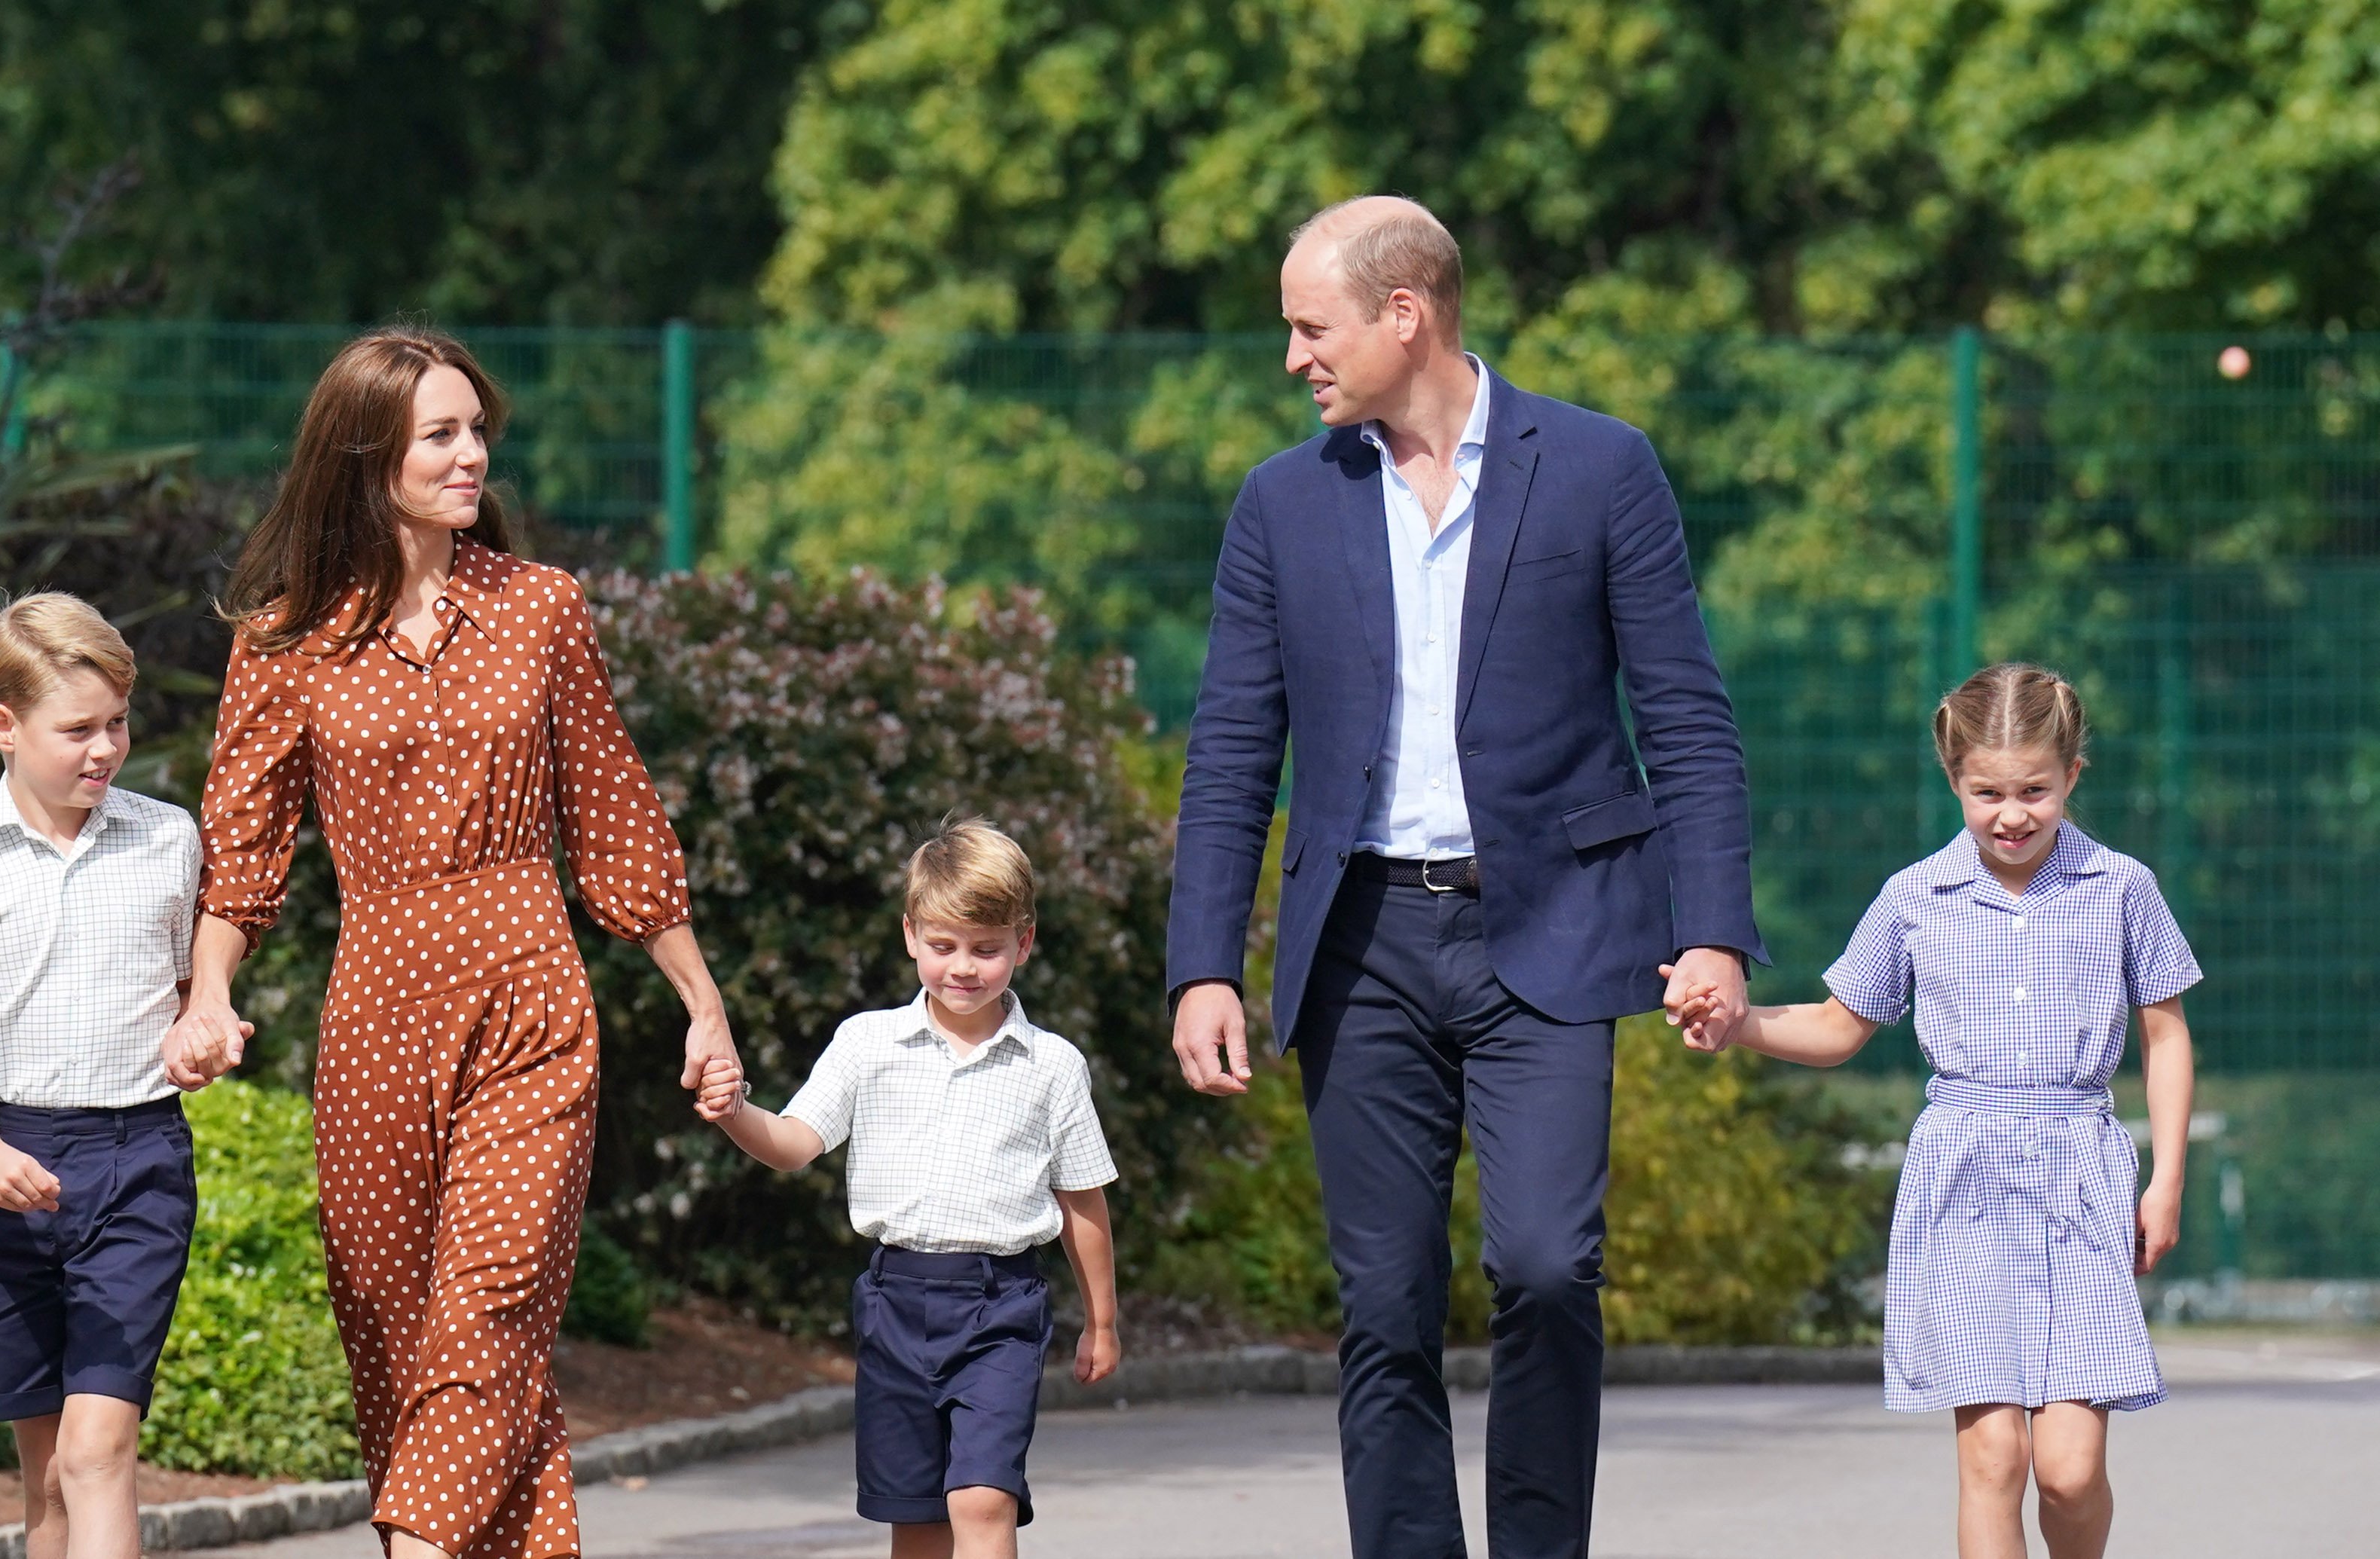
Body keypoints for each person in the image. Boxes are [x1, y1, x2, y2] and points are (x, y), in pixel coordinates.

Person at [1164, 195, 1764, 1559]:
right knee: (1381, 1304)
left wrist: (1711, 927)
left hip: (1549, 928)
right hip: (1359, 941)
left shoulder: (1601, 468)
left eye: (1308, 327)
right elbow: (1229, 748)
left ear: (1403, 315)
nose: (1290, 358)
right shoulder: (1277, 503)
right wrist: (1202, 959)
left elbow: (1683, 715)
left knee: (1547, 1269)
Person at [172, 327, 738, 1559]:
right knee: (399, 1343)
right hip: (375, 1014)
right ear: (367, 454)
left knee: (489, 1310)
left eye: (477, 428)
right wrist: (208, 989)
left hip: (529, 1000)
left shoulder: (538, 608)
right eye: (443, 431)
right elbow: (244, 840)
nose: (473, 452)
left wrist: (699, 998)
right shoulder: (284, 636)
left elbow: (614, 809)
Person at [1668, 663, 2197, 1559]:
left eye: (2035, 788)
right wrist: (1738, 1022)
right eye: (1987, 791)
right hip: (1963, 1183)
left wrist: (2166, 1178)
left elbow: (2166, 1033)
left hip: (2080, 1174)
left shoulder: (2122, 886)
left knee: (2068, 1468)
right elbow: (1840, 1025)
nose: (2012, 812)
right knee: (1993, 1455)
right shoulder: (1914, 897)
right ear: (1954, 780)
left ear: (2073, 774)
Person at [0, 594, 222, 1559]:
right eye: (77, 728)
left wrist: (205, 1028)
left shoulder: (168, 839)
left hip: (138, 1160)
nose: (105, 747)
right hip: (8, 1166)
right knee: (47, 1479)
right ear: (5, 725)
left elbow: (200, 993)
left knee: (98, 1445)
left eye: (117, 721)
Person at [692, 816, 1119, 1559]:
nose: (963, 966)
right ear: (911, 934)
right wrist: (734, 1112)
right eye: (944, 944)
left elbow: (1082, 1197)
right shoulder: (866, 1043)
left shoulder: (1052, 1065)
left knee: (982, 1498)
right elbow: (795, 1143)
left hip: (1000, 1305)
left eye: (986, 948)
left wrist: (1103, 1320)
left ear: (1023, 941)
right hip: (895, 1302)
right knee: (918, 1517)